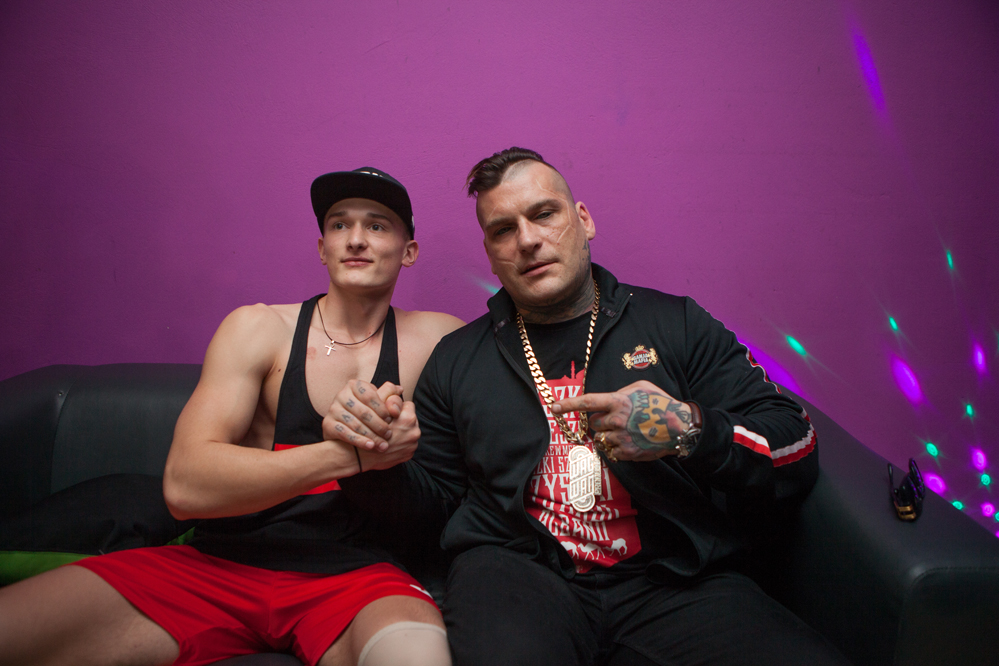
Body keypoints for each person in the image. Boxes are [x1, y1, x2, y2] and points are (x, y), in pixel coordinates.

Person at [328, 149, 850, 665]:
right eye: (503, 229)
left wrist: (686, 429)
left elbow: (794, 443)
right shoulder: (458, 358)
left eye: (543, 214)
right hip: (518, 574)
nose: (527, 240)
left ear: (583, 220)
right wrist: (372, 462)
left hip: (671, 580)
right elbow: (432, 510)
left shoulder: (675, 324)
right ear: (490, 253)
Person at [0, 167, 463, 666]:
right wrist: (348, 457)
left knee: (417, 656)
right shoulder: (257, 327)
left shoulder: (439, 340)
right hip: (218, 567)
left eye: (376, 225)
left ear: (408, 251)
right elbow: (185, 487)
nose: (355, 239)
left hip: (359, 578)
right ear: (322, 248)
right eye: (338, 224)